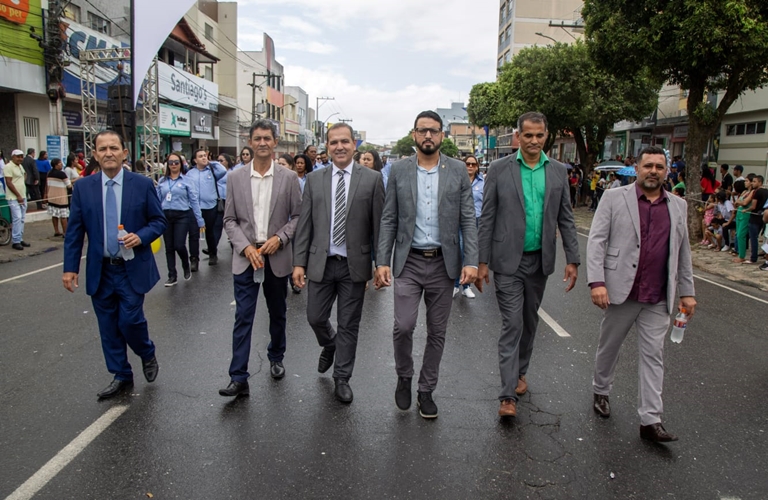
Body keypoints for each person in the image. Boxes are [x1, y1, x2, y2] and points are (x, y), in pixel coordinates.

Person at [587, 145, 696, 443]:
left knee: (653, 356)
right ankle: (601, 390)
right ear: (637, 168)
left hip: (658, 295)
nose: (653, 172)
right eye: (648, 166)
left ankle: (650, 420)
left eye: (659, 167)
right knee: (609, 347)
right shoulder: (613, 197)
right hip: (620, 291)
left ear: (666, 171)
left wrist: (687, 292)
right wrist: (596, 282)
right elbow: (596, 241)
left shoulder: (678, 205)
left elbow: (683, 251)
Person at [475, 111, 579, 418]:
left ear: (546, 136)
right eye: (528, 135)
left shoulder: (558, 171)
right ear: (518, 136)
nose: (534, 141)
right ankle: (507, 395)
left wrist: (573, 259)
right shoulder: (499, 169)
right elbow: (487, 218)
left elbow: (566, 219)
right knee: (512, 323)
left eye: (539, 135)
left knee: (530, 321)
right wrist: (481, 261)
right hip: (507, 261)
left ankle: (521, 371)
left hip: (539, 261)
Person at [375, 111, 478, 419]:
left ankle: (426, 390)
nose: (428, 136)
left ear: (442, 135)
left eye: (434, 131)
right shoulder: (399, 170)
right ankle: (404, 375)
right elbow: (389, 218)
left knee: (437, 331)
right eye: (423, 131)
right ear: (414, 135)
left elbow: (468, 219)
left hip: (444, 264)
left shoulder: (457, 170)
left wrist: (471, 261)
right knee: (403, 326)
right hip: (409, 261)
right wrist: (382, 261)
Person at [62, 130, 167, 399]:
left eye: (113, 148)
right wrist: (70, 268)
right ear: (95, 154)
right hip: (101, 269)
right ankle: (121, 374)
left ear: (124, 153)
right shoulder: (83, 188)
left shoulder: (141, 184)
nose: (108, 153)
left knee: (130, 321)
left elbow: (158, 221)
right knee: (108, 326)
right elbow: (75, 231)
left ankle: (146, 351)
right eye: (102, 149)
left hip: (131, 266)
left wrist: (140, 236)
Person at [293, 123, 385, 404]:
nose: (339, 147)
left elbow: (379, 226)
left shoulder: (372, 179)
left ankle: (342, 377)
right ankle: (330, 344)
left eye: (344, 141)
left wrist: (380, 264)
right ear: (327, 146)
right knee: (315, 317)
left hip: (353, 264)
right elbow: (304, 225)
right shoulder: (314, 179)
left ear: (354, 144)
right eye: (333, 142)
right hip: (320, 262)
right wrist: (299, 263)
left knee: (349, 323)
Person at [219, 120, 302, 397]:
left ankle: (276, 356)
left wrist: (280, 238)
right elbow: (229, 220)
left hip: (276, 256)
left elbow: (298, 217)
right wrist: (245, 247)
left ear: (275, 142)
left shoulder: (289, 178)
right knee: (243, 316)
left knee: (277, 312)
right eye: (257, 138)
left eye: (267, 138)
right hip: (247, 257)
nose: (262, 143)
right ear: (250, 142)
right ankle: (238, 376)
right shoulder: (235, 178)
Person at [156, 152, 204, 286]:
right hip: (166, 215)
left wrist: (199, 219)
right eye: (170, 162)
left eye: (176, 162)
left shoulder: (187, 180)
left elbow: (194, 201)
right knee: (169, 247)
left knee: (179, 245)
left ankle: (185, 264)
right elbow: (157, 201)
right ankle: (172, 275)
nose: (173, 165)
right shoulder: (162, 181)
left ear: (181, 164)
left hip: (182, 215)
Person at [185, 149, 227, 267]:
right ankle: (194, 259)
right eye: (200, 156)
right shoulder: (190, 173)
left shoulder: (212, 171)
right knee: (193, 234)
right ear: (195, 160)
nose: (204, 158)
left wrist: (211, 162)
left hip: (210, 206)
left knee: (210, 232)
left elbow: (223, 170)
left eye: (205, 156)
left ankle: (213, 253)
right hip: (194, 207)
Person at [453, 155, 483, 299]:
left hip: (476, 221)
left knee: (470, 252)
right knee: (459, 251)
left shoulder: (483, 183)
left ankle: (466, 286)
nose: (470, 166)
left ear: (477, 167)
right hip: (459, 221)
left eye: (473, 164)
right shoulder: (456, 180)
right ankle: (455, 285)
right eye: (468, 164)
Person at [4, 150, 30, 250]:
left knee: (22, 218)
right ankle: (16, 241)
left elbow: (24, 175)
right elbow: (9, 182)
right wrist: (18, 195)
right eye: (18, 157)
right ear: (13, 157)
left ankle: (20, 238)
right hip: (13, 197)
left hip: (22, 196)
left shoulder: (20, 166)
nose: (20, 159)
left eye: (21, 157)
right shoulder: (8, 167)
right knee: (17, 218)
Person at [744, 176, 768, 265]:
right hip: (763, 217)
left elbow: (753, 206)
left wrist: (746, 210)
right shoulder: (766, 191)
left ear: (760, 182)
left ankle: (753, 258)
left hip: (755, 217)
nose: (752, 183)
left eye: (754, 181)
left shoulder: (756, 192)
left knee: (753, 238)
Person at [45, 158, 71, 237]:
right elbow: (69, 185)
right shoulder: (62, 174)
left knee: (54, 214)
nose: (61, 164)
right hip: (61, 198)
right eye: (60, 163)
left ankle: (56, 231)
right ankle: (65, 232)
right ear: (56, 165)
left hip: (51, 197)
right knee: (64, 216)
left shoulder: (49, 173)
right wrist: (77, 179)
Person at [732, 179, 754, 263]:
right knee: (738, 234)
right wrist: (739, 202)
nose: (745, 182)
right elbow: (737, 202)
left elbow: (745, 203)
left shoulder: (752, 192)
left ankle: (742, 256)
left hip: (745, 214)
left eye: (747, 181)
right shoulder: (744, 191)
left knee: (741, 235)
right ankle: (739, 253)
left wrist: (740, 202)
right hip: (739, 213)